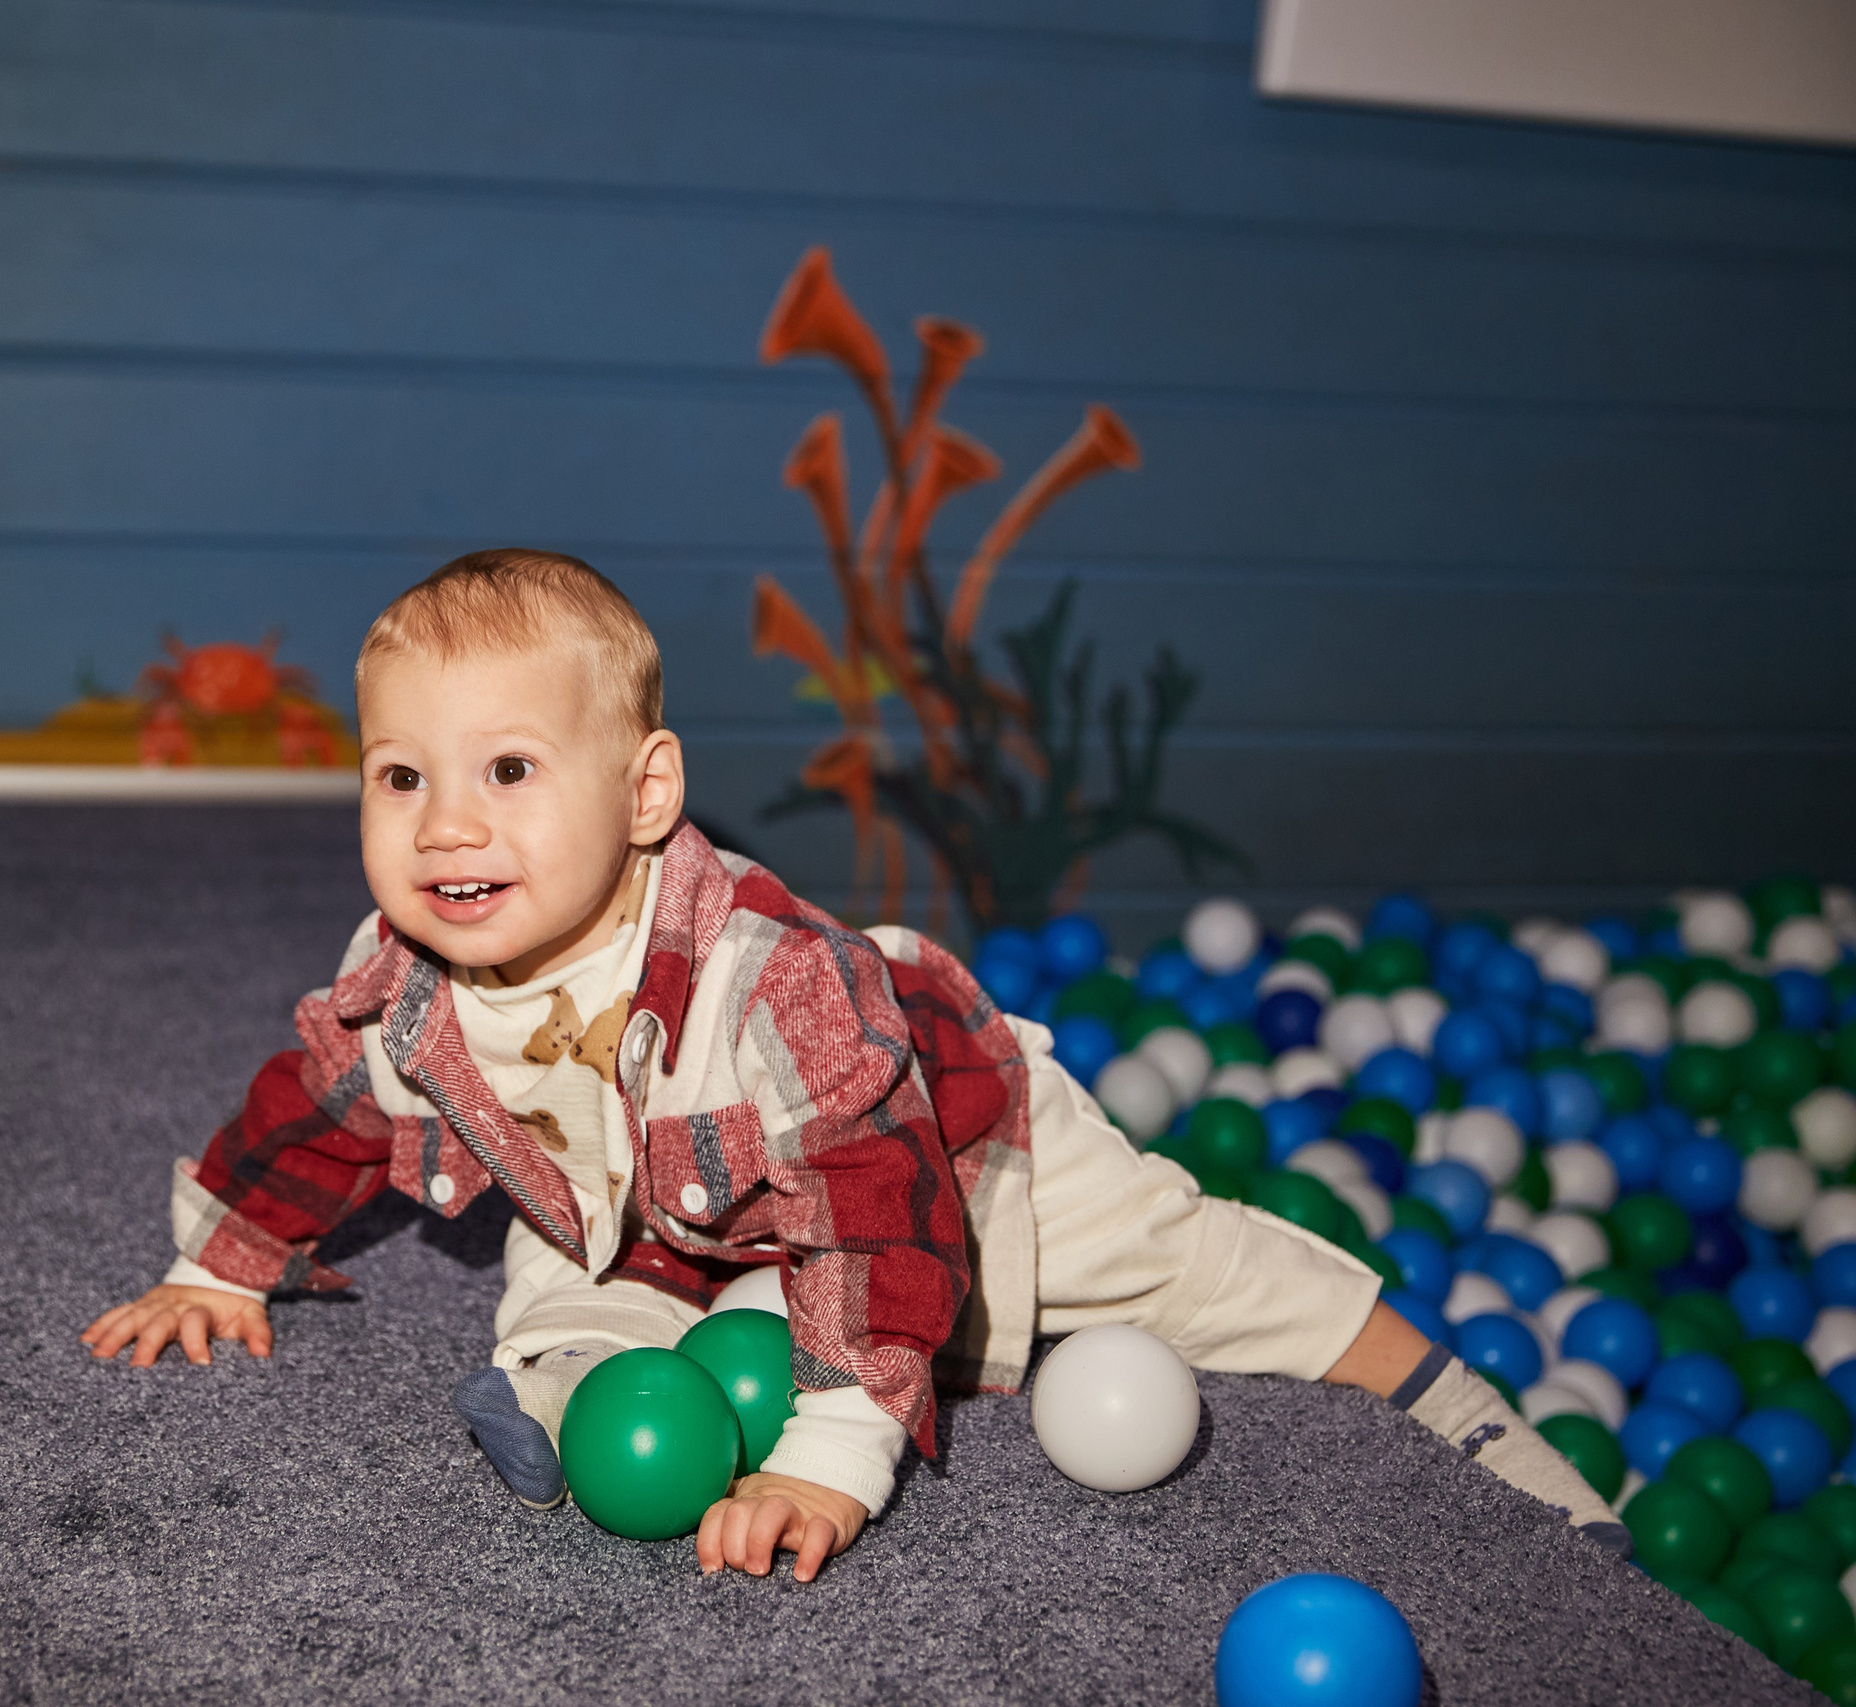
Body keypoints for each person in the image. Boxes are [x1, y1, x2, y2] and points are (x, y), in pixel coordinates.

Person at [82, 549, 1626, 1581]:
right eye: (400, 776)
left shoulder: (776, 989)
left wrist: (832, 1457)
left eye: (506, 771)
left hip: (949, 1145)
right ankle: (568, 1400)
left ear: (645, 792)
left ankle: (1479, 1427)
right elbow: (324, 1101)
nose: (445, 825)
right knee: (558, 1290)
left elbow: (879, 1222)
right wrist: (226, 1262)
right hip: (678, 1214)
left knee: (1203, 1274)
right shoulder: (410, 986)